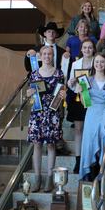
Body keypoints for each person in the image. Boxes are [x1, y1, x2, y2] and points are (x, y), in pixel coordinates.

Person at [24, 22, 70, 156]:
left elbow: (67, 69)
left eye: (53, 32)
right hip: (39, 97)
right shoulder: (36, 50)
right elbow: (29, 67)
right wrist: (28, 55)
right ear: (44, 34)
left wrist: (69, 58)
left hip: (56, 91)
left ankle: (59, 145)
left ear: (56, 35)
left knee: (58, 119)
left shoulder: (62, 52)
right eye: (48, 31)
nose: (51, 33)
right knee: (38, 142)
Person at [79, 53, 105, 191]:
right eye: (97, 62)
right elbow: (85, 102)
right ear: (93, 63)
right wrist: (80, 92)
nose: (99, 64)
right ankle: (88, 179)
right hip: (91, 115)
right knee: (89, 145)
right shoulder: (86, 81)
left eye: (102, 62)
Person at [27, 46, 66, 192]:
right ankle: (37, 179)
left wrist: (63, 95)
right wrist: (28, 93)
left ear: (52, 56)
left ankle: (50, 179)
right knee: (36, 144)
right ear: (40, 56)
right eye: (44, 54)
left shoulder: (59, 73)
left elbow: (62, 92)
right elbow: (29, 92)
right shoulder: (34, 74)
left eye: (49, 54)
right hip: (37, 112)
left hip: (52, 112)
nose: (47, 56)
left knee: (51, 145)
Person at [67, 39, 95, 173]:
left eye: (90, 47)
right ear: (81, 49)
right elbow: (70, 84)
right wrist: (71, 82)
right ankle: (78, 160)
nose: (87, 50)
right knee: (78, 130)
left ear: (93, 49)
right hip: (78, 98)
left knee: (91, 131)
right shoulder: (75, 63)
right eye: (85, 47)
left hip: (92, 99)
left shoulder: (97, 62)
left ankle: (91, 159)